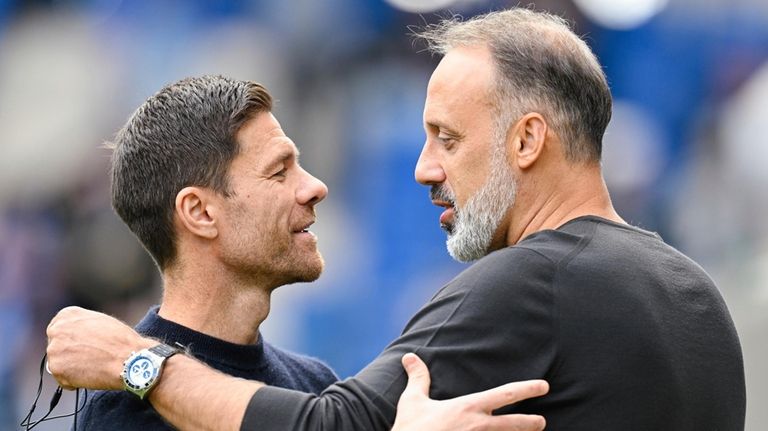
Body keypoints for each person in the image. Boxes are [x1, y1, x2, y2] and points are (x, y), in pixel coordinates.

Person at [47, 7, 746, 431]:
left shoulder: (536, 282)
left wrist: (135, 363)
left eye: (447, 136)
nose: (424, 167)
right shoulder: (698, 297)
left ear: (527, 141)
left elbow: (337, 425)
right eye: (279, 170)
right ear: (197, 213)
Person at [56, 74, 548, 431]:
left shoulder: (313, 382)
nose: (315, 187)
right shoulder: (130, 409)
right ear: (200, 213)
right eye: (279, 172)